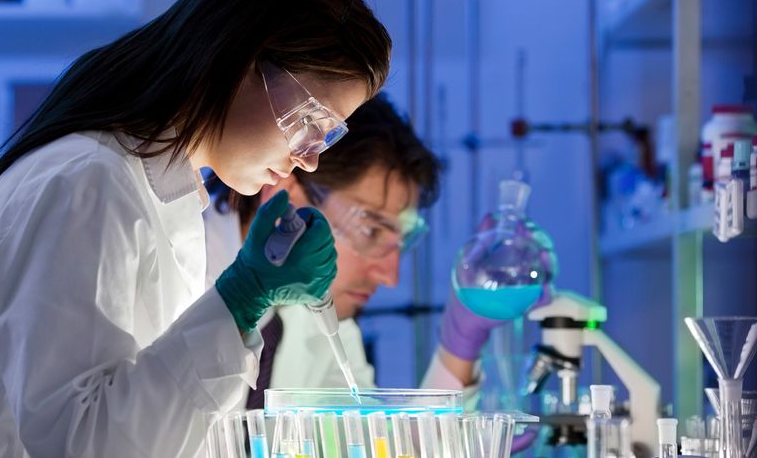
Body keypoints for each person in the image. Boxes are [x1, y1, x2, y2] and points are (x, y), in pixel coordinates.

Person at [0, 0, 392, 458]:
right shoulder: (87, 182)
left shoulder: (161, 192)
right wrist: (242, 299)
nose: (310, 159)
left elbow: (150, 425)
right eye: (310, 121)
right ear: (240, 57)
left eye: (326, 135)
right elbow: (83, 442)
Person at [205, 96, 546, 450]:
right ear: (287, 195)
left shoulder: (325, 329)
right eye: (371, 231)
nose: (390, 277)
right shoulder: (170, 274)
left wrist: (458, 345)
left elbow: (383, 447)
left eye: (401, 242)